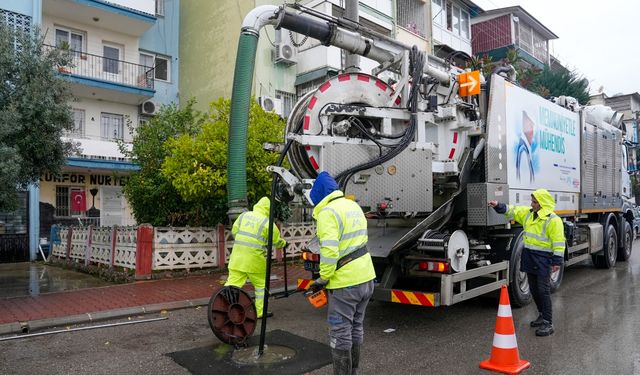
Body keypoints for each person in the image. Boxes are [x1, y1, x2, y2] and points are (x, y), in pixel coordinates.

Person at [309, 171, 376, 375]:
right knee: (356, 326)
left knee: (340, 332)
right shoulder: (352, 205)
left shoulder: (327, 213)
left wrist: (323, 278)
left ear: (319, 194)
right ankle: (353, 371)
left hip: (346, 283)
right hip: (366, 278)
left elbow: (329, 252)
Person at [488, 188, 565, 337]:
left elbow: (559, 242)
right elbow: (514, 211)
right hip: (529, 256)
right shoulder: (529, 214)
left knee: (543, 290)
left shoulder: (553, 220)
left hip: (543, 259)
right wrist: (498, 205)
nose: (532, 204)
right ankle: (542, 315)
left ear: (542, 203)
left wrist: (557, 261)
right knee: (534, 289)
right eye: (532, 201)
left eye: (535, 202)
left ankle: (548, 323)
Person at [225, 197, 286, 319]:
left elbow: (234, 231)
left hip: (237, 258)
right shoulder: (268, 223)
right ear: (269, 210)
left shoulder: (244, 216)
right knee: (261, 286)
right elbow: (276, 241)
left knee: (232, 284)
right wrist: (284, 243)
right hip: (254, 261)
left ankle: (227, 309)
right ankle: (260, 312)